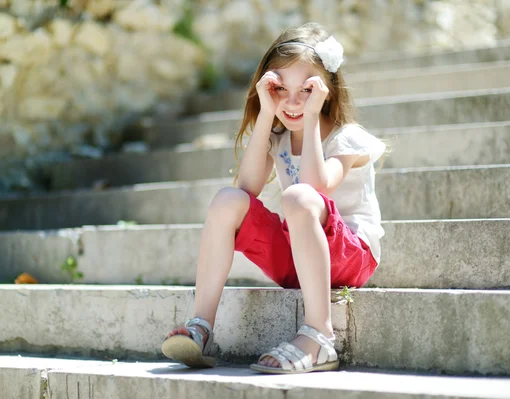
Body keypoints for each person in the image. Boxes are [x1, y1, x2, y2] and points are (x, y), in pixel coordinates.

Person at [161, 22, 386, 374]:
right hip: (299, 258)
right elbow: (246, 189)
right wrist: (266, 113)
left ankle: (319, 336)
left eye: (306, 90)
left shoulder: (347, 139)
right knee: (226, 199)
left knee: (298, 197)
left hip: (350, 256)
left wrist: (311, 118)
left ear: (325, 90)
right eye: (280, 88)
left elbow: (316, 188)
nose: (293, 102)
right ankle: (201, 326)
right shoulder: (278, 137)